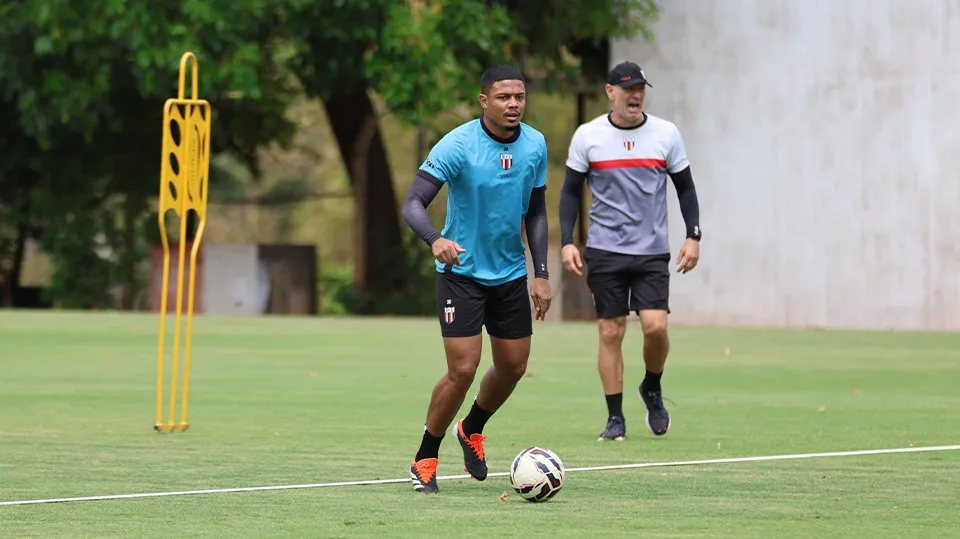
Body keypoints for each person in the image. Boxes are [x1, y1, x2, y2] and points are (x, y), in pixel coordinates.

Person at [401, 64, 552, 494]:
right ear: (484, 101)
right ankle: (425, 457)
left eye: (519, 97)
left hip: (509, 274)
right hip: (461, 274)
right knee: (463, 369)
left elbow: (537, 211)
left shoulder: (535, 144)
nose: (514, 105)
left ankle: (472, 429)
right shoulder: (459, 144)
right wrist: (434, 238)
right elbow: (413, 202)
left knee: (513, 367)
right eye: (504, 97)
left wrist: (540, 273)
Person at [558, 61, 701, 441]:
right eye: (627, 88)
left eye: (640, 88)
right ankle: (615, 418)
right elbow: (570, 191)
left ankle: (651, 387)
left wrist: (693, 235)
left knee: (656, 327)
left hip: (652, 251)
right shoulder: (588, 136)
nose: (635, 94)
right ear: (610, 92)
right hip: (605, 250)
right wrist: (567, 240)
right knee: (610, 330)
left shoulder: (665, 134)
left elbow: (685, 188)